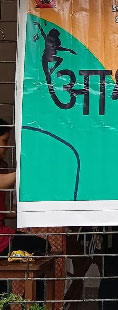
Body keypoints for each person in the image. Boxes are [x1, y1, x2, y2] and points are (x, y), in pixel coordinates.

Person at [0, 118, 50, 295]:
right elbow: (2, 182)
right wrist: (26, 167)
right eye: (4, 141)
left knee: (42, 247)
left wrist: (25, 212)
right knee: (41, 246)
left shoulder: (3, 166)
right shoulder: (5, 172)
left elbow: (4, 211)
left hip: (4, 233)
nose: (6, 147)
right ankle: (33, 301)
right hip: (2, 238)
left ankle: (29, 299)